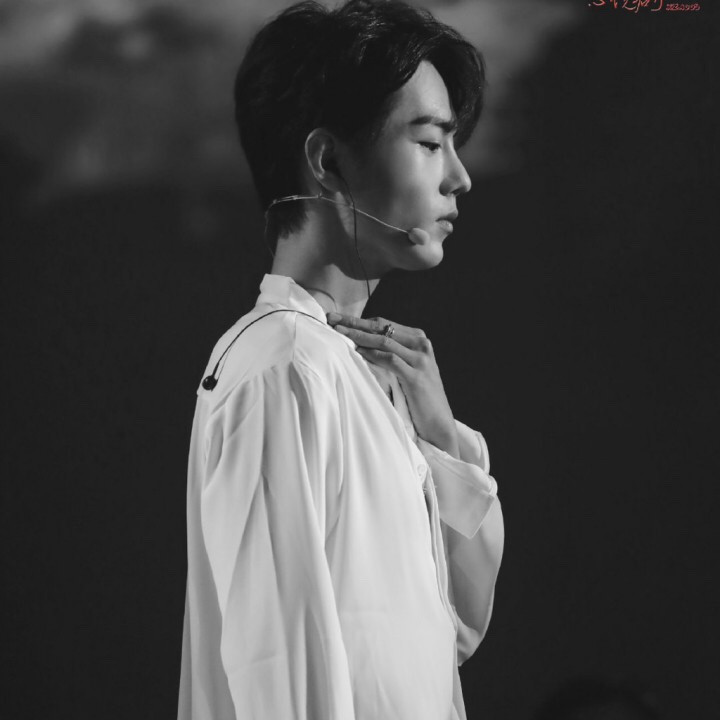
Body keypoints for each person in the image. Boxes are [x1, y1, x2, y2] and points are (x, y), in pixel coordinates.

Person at [177, 1, 504, 718]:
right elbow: (278, 664)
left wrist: (441, 442)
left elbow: (449, 632)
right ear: (327, 162)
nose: (458, 177)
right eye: (429, 142)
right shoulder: (284, 365)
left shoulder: (349, 370)